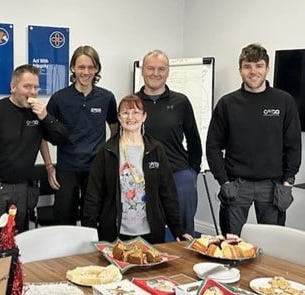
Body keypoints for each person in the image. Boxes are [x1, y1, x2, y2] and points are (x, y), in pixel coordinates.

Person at [206, 43, 302, 236]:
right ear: (240, 70)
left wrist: (288, 181)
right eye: (247, 66)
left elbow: (293, 146)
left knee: (272, 245)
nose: (253, 71)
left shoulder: (284, 101)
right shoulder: (227, 103)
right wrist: (224, 181)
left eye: (258, 66)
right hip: (236, 185)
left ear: (267, 69)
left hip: (273, 186)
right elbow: (213, 146)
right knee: (230, 242)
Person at [0, 64, 68, 251]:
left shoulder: (38, 114)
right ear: (13, 87)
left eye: (35, 87)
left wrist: (46, 117)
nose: (32, 92)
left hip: (22, 189)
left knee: (16, 244)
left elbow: (62, 138)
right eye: (27, 86)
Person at [82, 94, 192, 244]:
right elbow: (94, 195)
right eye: (125, 113)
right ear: (119, 118)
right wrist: (89, 231)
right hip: (115, 232)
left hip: (150, 232)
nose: (130, 117)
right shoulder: (107, 151)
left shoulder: (156, 149)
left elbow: (168, 192)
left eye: (135, 112)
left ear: (144, 116)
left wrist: (177, 228)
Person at [45, 45, 118, 225]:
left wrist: (107, 156)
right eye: (81, 67)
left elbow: (115, 128)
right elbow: (42, 135)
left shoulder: (106, 98)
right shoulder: (59, 98)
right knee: (63, 221)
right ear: (73, 68)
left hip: (95, 168)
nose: (86, 72)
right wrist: (48, 167)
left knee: (92, 220)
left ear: (97, 69)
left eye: (90, 67)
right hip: (67, 168)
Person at [136, 50, 202, 237]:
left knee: (182, 232)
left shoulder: (181, 102)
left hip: (179, 175)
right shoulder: (133, 103)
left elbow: (193, 139)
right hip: (143, 176)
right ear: (142, 70)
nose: (155, 73)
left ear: (167, 72)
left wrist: (192, 170)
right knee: (147, 229)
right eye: (150, 68)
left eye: (161, 69)